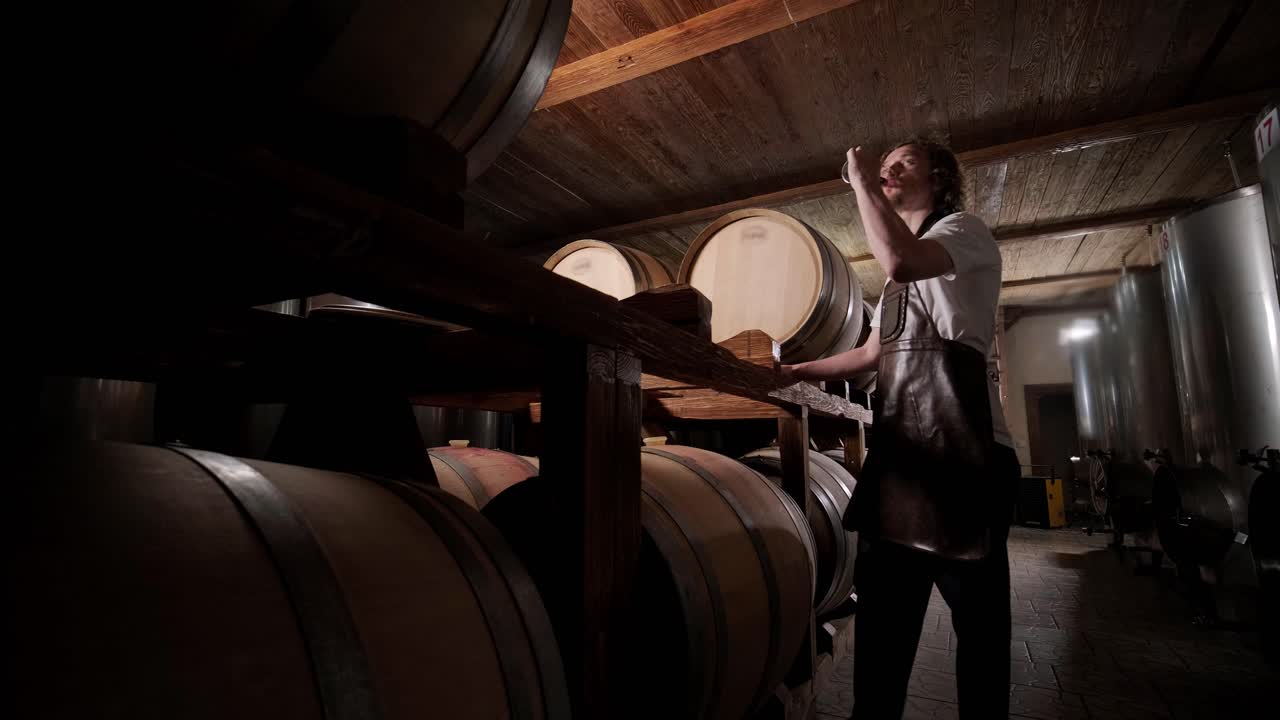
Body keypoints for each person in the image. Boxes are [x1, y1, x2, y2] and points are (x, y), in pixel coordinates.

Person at [781, 138, 1019, 719]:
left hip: (967, 457)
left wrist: (862, 182)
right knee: (884, 625)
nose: (887, 166)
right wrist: (789, 372)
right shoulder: (895, 283)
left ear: (938, 176)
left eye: (903, 161)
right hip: (903, 459)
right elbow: (869, 356)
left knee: (980, 631)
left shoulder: (964, 231)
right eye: (881, 163)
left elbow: (901, 259)